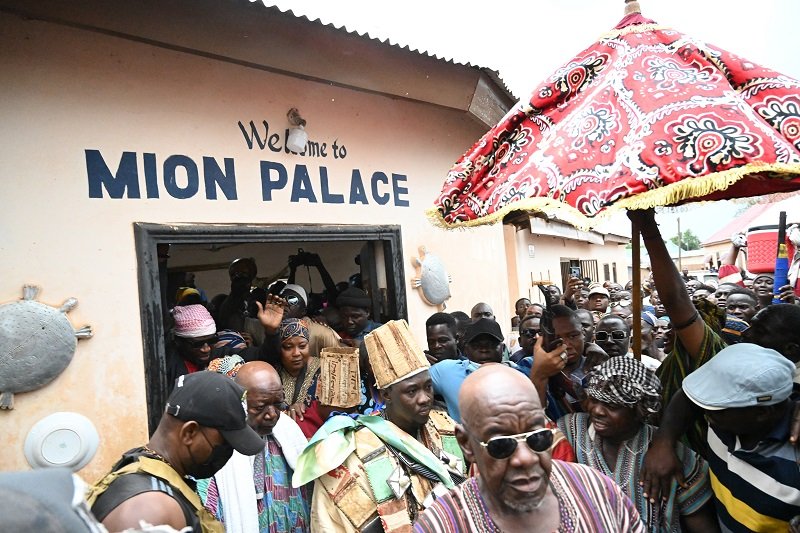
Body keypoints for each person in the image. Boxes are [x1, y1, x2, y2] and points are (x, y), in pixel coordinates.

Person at [413, 365, 645, 532]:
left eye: (537, 438)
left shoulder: (599, 492)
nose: (525, 458)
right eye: (501, 444)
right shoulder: (442, 524)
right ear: (467, 444)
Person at [293, 320, 466, 533]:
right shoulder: (354, 449)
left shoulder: (446, 426)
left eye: (428, 387)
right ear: (386, 395)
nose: (424, 399)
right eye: (412, 391)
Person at [87, 372, 265, 532]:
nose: (228, 453)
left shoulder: (145, 468)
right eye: (224, 444)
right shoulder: (153, 510)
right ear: (189, 433)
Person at [558, 357, 716, 532]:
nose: (597, 411)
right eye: (594, 399)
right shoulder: (569, 430)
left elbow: (701, 522)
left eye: (611, 405)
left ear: (639, 410)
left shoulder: (668, 453)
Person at [670, 344, 799, 531]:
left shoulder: (794, 464)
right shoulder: (721, 425)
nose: (706, 412)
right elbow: (687, 400)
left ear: (763, 412)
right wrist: (663, 442)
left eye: (718, 407)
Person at [197, 361, 311, 533]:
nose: (272, 414)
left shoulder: (288, 432)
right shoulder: (217, 448)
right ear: (239, 405)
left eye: (278, 404)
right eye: (260, 407)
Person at [528, 305, 608, 420]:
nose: (566, 345)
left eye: (573, 336)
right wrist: (539, 375)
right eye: (556, 339)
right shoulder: (526, 368)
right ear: (542, 340)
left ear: (583, 333)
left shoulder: (600, 367)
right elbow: (530, 418)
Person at [429, 318, 505, 422]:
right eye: (476, 345)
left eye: (491, 344)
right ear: (466, 349)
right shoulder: (446, 371)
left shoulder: (518, 375)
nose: (484, 350)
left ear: (503, 348)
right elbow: (412, 382)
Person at [276, 318, 323, 438]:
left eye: (302, 346)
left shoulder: (324, 370)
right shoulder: (272, 373)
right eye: (288, 347)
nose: (296, 353)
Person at [278, 283, 342, 358]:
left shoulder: (321, 333)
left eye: (292, 300)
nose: (284, 303)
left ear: (303, 311)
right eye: (281, 299)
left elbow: (339, 362)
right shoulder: (269, 330)